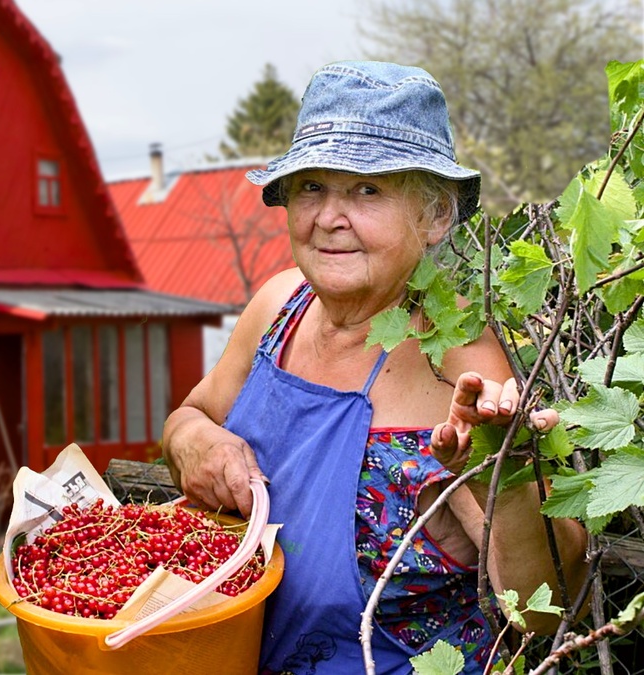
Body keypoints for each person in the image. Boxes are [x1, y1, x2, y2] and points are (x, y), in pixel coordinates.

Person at [161, 61, 588, 674]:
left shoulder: (459, 362)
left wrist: (505, 475)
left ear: (436, 215)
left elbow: (543, 612)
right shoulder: (279, 305)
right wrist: (195, 441)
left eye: (368, 189)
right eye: (312, 186)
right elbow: (191, 414)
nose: (330, 216)